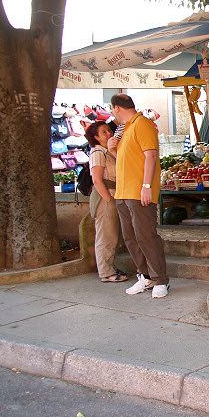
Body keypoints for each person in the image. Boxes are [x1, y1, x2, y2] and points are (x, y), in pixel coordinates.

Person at [109, 94, 170, 298]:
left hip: (138, 191)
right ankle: (145, 276)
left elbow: (150, 155)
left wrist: (146, 186)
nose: (112, 113)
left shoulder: (142, 123)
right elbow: (129, 159)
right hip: (123, 191)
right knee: (130, 237)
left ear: (116, 108)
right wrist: (113, 149)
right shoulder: (124, 129)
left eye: (112, 109)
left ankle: (160, 279)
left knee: (145, 235)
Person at [84, 121, 127, 283]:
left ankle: (109, 268)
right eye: (103, 132)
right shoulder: (97, 153)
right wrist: (108, 199)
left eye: (109, 130)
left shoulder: (108, 151)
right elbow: (97, 179)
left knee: (111, 234)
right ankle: (105, 272)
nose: (109, 133)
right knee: (106, 235)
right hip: (105, 197)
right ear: (96, 137)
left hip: (113, 195)